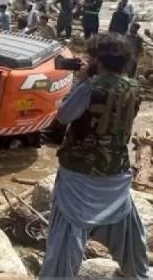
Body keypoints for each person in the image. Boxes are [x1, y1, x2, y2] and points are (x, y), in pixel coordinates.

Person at [40, 33, 146, 279]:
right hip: (116, 171)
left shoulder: (89, 88)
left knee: (67, 235)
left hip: (80, 173)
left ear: (98, 59)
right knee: (127, 228)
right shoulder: (134, 87)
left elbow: (64, 116)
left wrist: (81, 80)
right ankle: (136, 272)